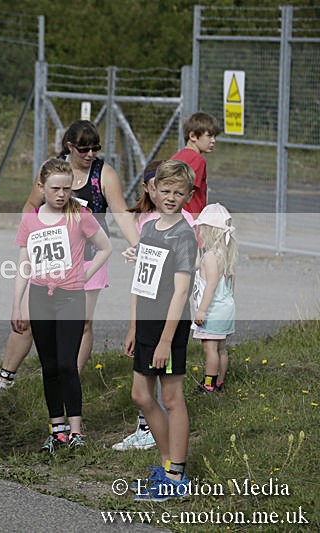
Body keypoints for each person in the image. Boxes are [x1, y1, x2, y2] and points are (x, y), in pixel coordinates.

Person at [0, 120, 137, 396]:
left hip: (87, 257)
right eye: (84, 149)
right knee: (28, 317)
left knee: (82, 324)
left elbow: (121, 212)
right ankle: (5, 378)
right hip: (49, 255)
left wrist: (138, 245)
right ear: (69, 146)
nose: (90, 155)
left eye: (95, 149)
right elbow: (30, 204)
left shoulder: (103, 174)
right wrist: (31, 233)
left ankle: (69, 381)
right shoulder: (52, 169)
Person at [12, 158, 112, 453]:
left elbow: (106, 247)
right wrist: (16, 305)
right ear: (41, 187)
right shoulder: (30, 219)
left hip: (70, 296)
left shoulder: (79, 214)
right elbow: (24, 262)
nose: (61, 194)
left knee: (68, 364)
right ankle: (57, 430)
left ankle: (77, 430)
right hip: (40, 296)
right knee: (50, 365)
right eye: (55, 188)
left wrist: (85, 275)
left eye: (67, 189)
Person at [124, 160, 198, 501]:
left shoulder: (184, 235)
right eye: (165, 190)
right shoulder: (150, 228)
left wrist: (166, 340)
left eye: (178, 193)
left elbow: (181, 291)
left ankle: (176, 473)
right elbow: (142, 282)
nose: (170, 197)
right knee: (141, 395)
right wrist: (134, 325)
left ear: (187, 195)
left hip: (170, 325)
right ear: (153, 190)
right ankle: (166, 463)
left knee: (170, 397)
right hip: (147, 323)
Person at [192, 203, 237, 394]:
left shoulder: (211, 257)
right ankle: (220, 382)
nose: (199, 232)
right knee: (221, 349)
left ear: (209, 230)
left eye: (202, 228)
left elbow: (210, 286)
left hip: (213, 310)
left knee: (209, 349)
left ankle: (209, 385)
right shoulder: (226, 255)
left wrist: (202, 310)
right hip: (226, 307)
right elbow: (231, 284)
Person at [170, 112, 221, 217]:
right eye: (209, 136)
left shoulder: (176, 156)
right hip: (190, 218)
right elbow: (185, 190)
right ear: (193, 136)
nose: (213, 141)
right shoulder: (198, 160)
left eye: (215, 136)